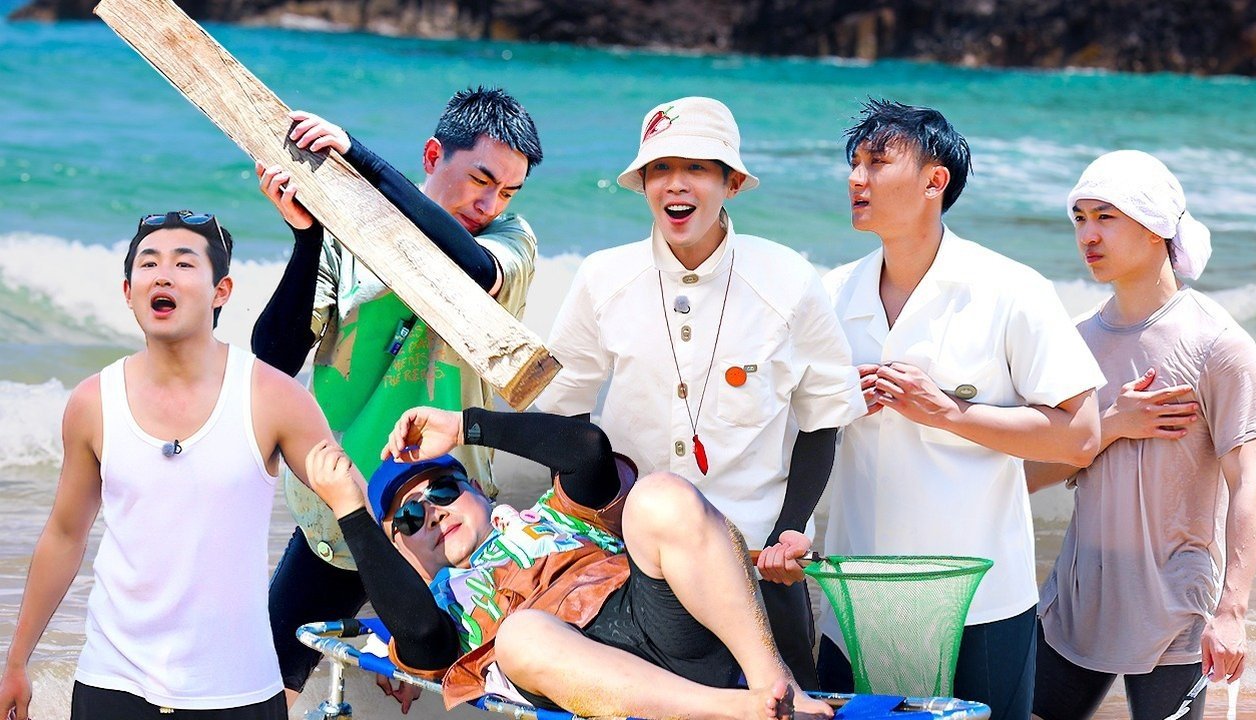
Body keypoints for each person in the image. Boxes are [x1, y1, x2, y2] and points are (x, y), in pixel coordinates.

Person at [536, 96, 861, 688]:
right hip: (634, 568)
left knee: (787, 700)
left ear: (731, 182)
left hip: (759, 564)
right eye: (659, 168)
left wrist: (790, 531)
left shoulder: (787, 280)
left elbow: (823, 419)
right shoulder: (604, 278)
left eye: (697, 168)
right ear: (642, 183)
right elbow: (564, 415)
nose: (676, 184)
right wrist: (580, 530)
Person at [251, 87, 542, 703]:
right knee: (268, 683)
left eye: (508, 192)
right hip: (343, 507)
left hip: (450, 521)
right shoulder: (349, 232)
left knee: (457, 692)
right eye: (481, 180)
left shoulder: (511, 239)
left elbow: (474, 271)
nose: (490, 204)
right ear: (433, 155)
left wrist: (360, 158)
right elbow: (273, 357)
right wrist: (308, 237)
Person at [818, 99, 1105, 719]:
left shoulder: (1011, 289)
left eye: (876, 163)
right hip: (855, 592)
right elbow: (787, 426)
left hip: (983, 599)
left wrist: (948, 413)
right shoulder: (831, 293)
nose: (856, 178)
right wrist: (837, 402)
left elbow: (1080, 435)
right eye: (854, 163)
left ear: (934, 181)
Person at [0, 212, 339, 720]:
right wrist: (16, 661)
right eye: (148, 264)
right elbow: (65, 534)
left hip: (238, 691)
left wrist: (410, 630)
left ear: (221, 291)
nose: (163, 275)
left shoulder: (273, 397)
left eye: (184, 264)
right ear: (127, 291)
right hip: (111, 685)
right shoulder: (93, 402)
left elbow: (350, 511)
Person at [304, 403, 836, 720]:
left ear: (480, 492)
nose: (434, 514)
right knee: (519, 635)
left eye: (443, 490)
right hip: (578, 671)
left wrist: (467, 426)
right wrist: (349, 507)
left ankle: (776, 684)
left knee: (660, 494)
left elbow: (587, 450)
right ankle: (733, 711)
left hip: (656, 616)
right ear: (400, 552)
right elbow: (417, 629)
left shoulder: (555, 513)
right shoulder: (437, 612)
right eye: (410, 517)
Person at [1026, 151, 1256, 720]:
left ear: (1156, 225)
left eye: (1105, 217)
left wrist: (1232, 610)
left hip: (1175, 607)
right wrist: (1112, 425)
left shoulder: (1219, 345)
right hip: (1079, 597)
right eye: (1079, 218)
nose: (1087, 235)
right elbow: (1028, 475)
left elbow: (1250, 484)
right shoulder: (1074, 341)